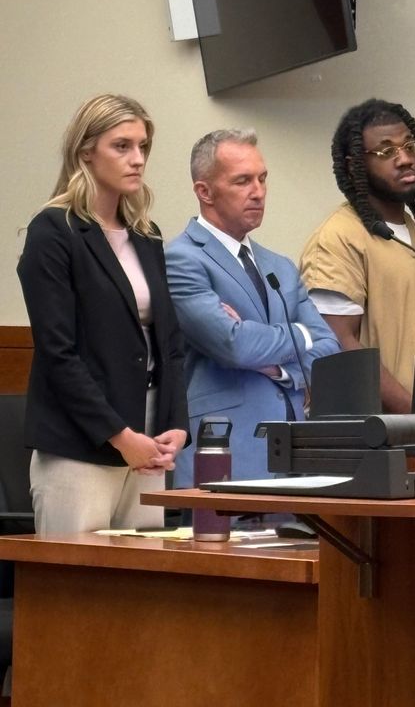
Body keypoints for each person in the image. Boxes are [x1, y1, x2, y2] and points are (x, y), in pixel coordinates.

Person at [17, 94, 189, 535]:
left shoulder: (146, 235)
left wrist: (176, 425)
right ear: (86, 151)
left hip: (148, 443)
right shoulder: (53, 232)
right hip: (81, 446)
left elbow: (169, 345)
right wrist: (120, 435)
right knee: (76, 595)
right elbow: (59, 353)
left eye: (144, 147)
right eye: (122, 146)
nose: (138, 159)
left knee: (142, 594)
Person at [165, 129, 340, 486]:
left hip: (294, 451)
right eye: (242, 181)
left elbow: (328, 349)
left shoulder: (281, 267)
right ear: (205, 191)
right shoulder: (181, 259)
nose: (258, 192)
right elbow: (234, 345)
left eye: (262, 179)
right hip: (225, 452)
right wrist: (300, 336)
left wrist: (276, 367)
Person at [300, 97, 415, 414]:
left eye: (409, 147)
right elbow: (338, 345)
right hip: (370, 441)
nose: (404, 159)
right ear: (353, 165)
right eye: (386, 151)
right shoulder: (338, 238)